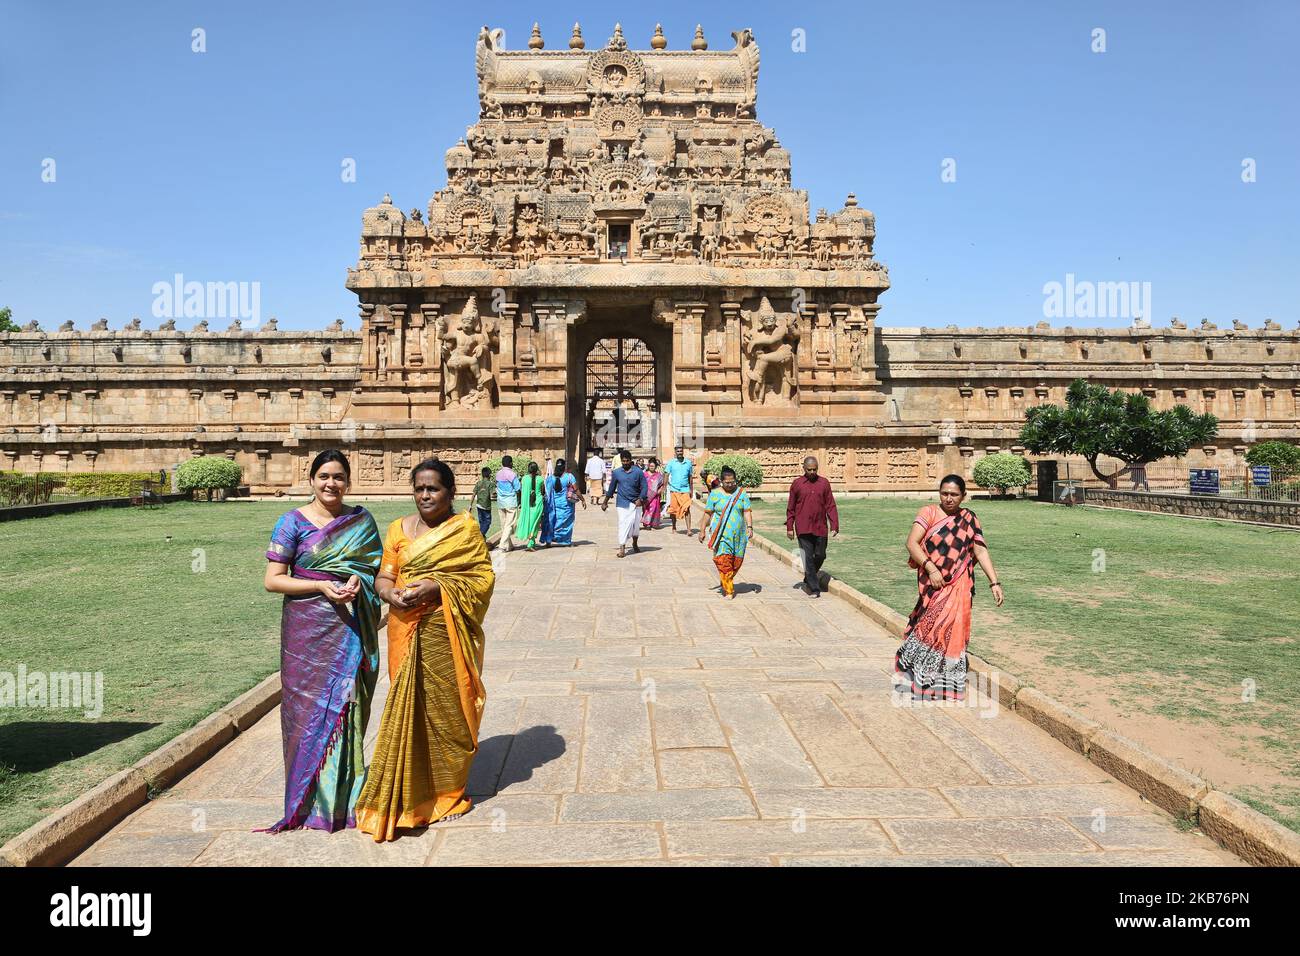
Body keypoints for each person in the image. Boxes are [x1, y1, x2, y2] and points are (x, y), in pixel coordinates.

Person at [354, 458, 496, 841]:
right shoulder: (398, 529)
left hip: (446, 632)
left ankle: (447, 792)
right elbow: (384, 575)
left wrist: (437, 587)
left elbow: (481, 578)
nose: (425, 495)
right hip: (404, 628)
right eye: (419, 488)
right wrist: (389, 593)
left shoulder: (463, 530)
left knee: (449, 710)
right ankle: (409, 793)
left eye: (433, 488)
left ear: (450, 492)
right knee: (408, 706)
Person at [261, 449, 382, 833]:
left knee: (348, 710)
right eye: (324, 476)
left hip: (349, 629)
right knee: (307, 714)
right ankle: (307, 802)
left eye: (339, 477)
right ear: (311, 479)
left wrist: (357, 583)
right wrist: (321, 587)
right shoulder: (291, 522)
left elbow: (375, 572)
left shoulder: (360, 521)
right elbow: (273, 579)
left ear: (348, 481)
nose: (332, 484)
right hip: (306, 635)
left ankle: (345, 801)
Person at [895, 474, 1005, 702]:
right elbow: (911, 543)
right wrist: (931, 568)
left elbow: (980, 551)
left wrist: (994, 582)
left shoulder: (969, 518)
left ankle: (947, 684)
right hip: (933, 583)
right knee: (930, 628)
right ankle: (921, 679)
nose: (949, 498)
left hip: (960, 584)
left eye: (954, 494)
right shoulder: (928, 513)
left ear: (964, 496)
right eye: (944, 493)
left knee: (952, 629)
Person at [786, 455, 839, 599]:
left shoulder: (824, 483)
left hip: (820, 526)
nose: (812, 472)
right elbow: (791, 507)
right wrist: (789, 527)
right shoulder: (797, 484)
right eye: (809, 469)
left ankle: (809, 577)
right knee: (808, 558)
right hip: (803, 527)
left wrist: (834, 524)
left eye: (814, 469)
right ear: (804, 468)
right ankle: (814, 588)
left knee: (821, 555)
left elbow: (830, 505)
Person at [698, 466, 753, 599]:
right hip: (721, 534)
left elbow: (747, 511)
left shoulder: (741, 493)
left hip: (738, 535)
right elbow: (707, 513)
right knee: (723, 560)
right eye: (727, 483)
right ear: (721, 481)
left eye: (733, 482)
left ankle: (725, 578)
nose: (730, 485)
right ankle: (729, 590)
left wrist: (750, 527)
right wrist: (702, 530)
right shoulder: (715, 494)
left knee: (736, 562)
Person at [601, 449, 648, 558]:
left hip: (636, 503)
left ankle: (635, 543)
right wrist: (605, 502)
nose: (625, 463)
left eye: (627, 461)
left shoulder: (638, 472)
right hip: (622, 502)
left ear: (630, 461)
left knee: (635, 524)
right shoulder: (617, 472)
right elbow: (611, 488)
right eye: (623, 461)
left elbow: (644, 486)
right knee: (623, 523)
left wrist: (641, 498)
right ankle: (622, 547)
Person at [549, 458, 586, 546]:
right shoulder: (569, 476)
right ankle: (565, 541)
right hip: (567, 504)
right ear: (564, 467)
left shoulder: (551, 478)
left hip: (555, 504)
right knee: (567, 522)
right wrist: (582, 499)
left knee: (557, 521)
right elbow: (576, 489)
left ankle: (552, 536)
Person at [664, 446, 694, 534]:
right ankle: (674, 526)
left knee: (687, 508)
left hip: (685, 489)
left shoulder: (688, 463)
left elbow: (690, 477)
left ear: (683, 452)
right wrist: (664, 487)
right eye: (678, 451)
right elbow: (666, 474)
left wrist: (691, 489)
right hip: (674, 489)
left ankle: (689, 530)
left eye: (681, 451)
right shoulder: (671, 463)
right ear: (675, 453)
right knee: (673, 509)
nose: (679, 452)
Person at [517, 461, 547, 551]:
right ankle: (531, 543)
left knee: (529, 522)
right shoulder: (541, 479)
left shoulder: (524, 479)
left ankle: (531, 543)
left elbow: (521, 491)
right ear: (537, 469)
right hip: (538, 504)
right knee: (535, 524)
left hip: (527, 505)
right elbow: (543, 492)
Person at [495, 455, 522, 552]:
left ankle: (509, 545)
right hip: (510, 502)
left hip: (500, 502)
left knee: (504, 525)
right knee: (510, 525)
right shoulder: (512, 474)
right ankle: (502, 545)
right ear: (510, 463)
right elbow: (518, 488)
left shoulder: (498, 474)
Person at [641, 457, 665, 530]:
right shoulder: (644, 474)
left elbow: (662, 485)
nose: (651, 467)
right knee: (646, 509)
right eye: (650, 466)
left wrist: (659, 491)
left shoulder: (659, 475)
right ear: (648, 466)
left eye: (653, 466)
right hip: (646, 495)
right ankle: (646, 523)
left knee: (653, 508)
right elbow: (640, 484)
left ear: (656, 467)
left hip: (655, 495)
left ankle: (650, 523)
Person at [471, 466, 495, 537]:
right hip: (486, 507)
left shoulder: (478, 483)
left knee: (482, 523)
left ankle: (482, 540)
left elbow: (473, 494)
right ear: (489, 475)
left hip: (478, 505)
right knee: (487, 522)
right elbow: (492, 495)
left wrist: (470, 505)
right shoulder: (490, 484)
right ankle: (479, 536)